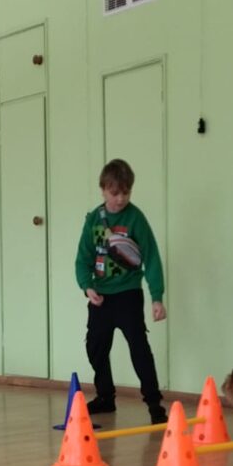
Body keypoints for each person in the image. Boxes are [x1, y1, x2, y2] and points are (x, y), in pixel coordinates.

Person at [74, 158, 167, 424]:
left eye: (126, 193)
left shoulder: (135, 218)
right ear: (103, 190)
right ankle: (105, 397)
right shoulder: (94, 220)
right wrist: (87, 286)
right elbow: (82, 259)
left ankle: (154, 404)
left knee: (139, 348)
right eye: (115, 193)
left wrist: (157, 297)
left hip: (128, 295)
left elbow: (151, 257)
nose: (120, 199)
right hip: (101, 297)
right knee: (95, 347)